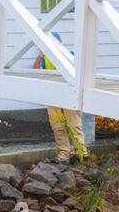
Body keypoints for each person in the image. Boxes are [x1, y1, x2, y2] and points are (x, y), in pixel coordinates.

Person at [33, 31, 86, 163]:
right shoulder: (45, 59)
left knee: (74, 124)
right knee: (58, 126)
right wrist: (40, 57)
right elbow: (36, 70)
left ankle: (81, 154)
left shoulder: (70, 55)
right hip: (53, 95)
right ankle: (64, 154)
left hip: (69, 94)